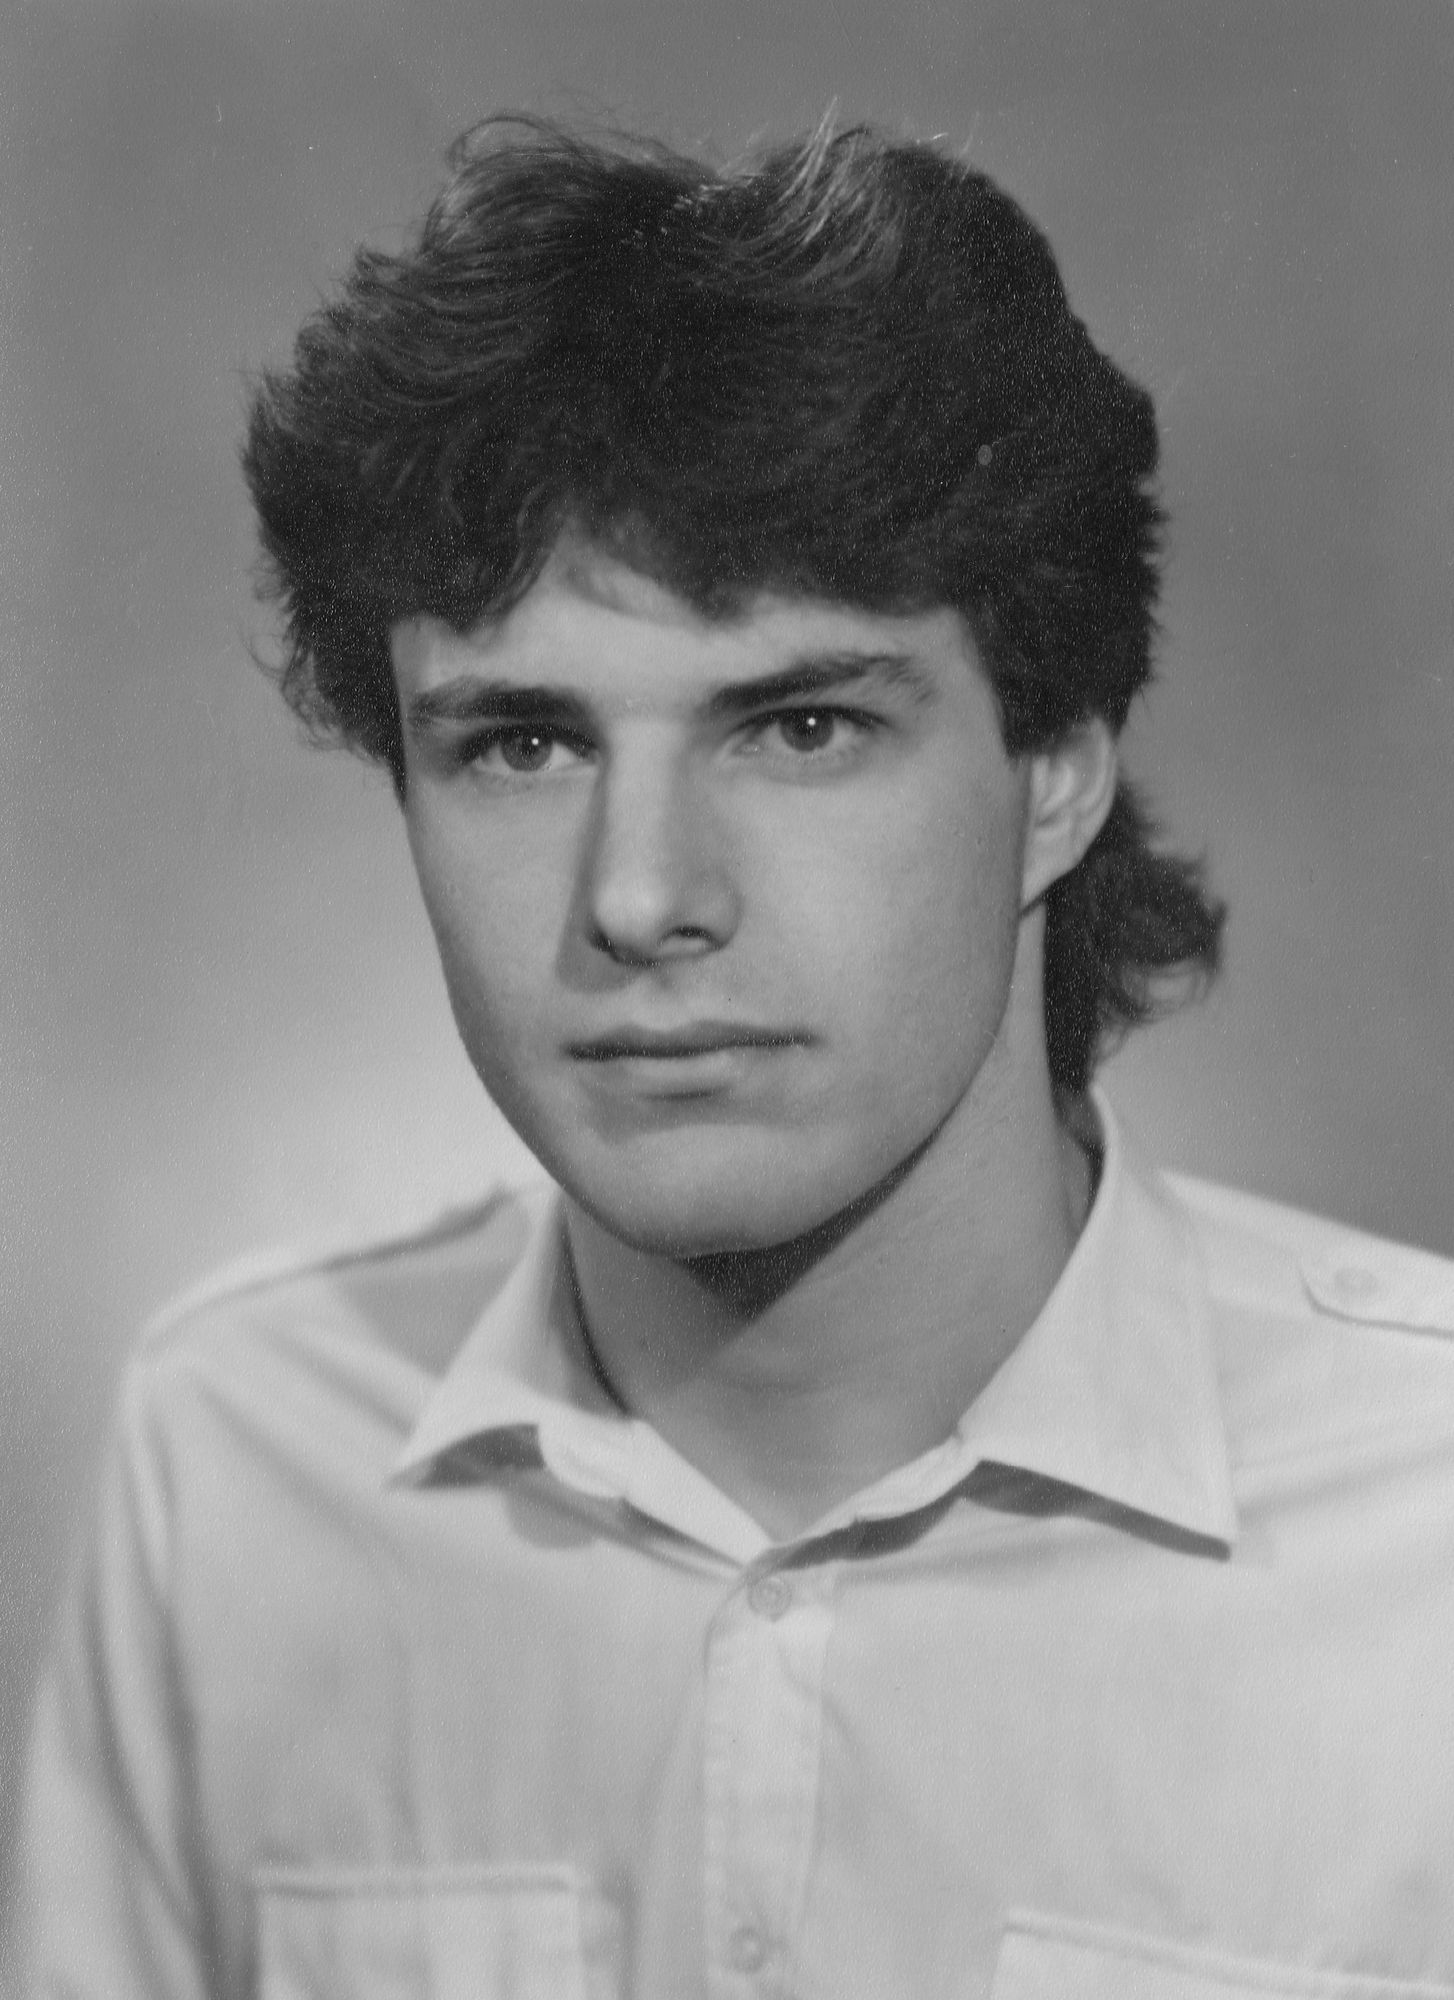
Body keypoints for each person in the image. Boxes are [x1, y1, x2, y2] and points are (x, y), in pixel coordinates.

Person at [11, 114, 1454, 2000]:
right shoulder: (238, 1458)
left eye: (799, 729)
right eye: (521, 746)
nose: (638, 898)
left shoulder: (1423, 1526)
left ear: (1054, 774)